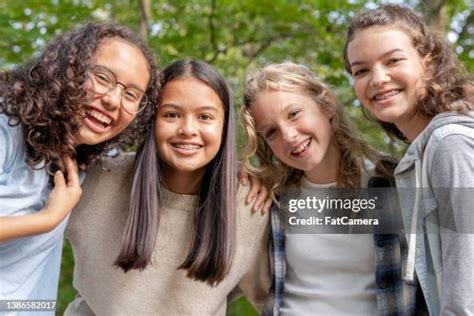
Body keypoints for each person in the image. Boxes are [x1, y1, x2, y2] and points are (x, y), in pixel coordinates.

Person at [64, 60, 271, 315]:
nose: (188, 130)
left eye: (205, 117)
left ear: (224, 126)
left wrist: (272, 177)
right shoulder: (99, 178)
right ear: (152, 120)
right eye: (171, 114)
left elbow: (280, 299)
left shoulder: (251, 203)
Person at [0, 22, 159, 309]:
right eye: (102, 77)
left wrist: (245, 175)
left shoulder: (82, 163)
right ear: (68, 70)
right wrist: (48, 218)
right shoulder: (6, 126)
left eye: (132, 95)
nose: (113, 100)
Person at [241, 62, 419, 315]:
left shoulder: (393, 181)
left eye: (294, 114)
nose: (289, 136)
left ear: (325, 105)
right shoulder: (272, 197)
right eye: (271, 132)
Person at [344, 4, 474, 315]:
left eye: (393, 60)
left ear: (428, 61)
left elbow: (468, 278)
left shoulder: (449, 144)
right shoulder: (425, 149)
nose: (378, 78)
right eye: (361, 70)